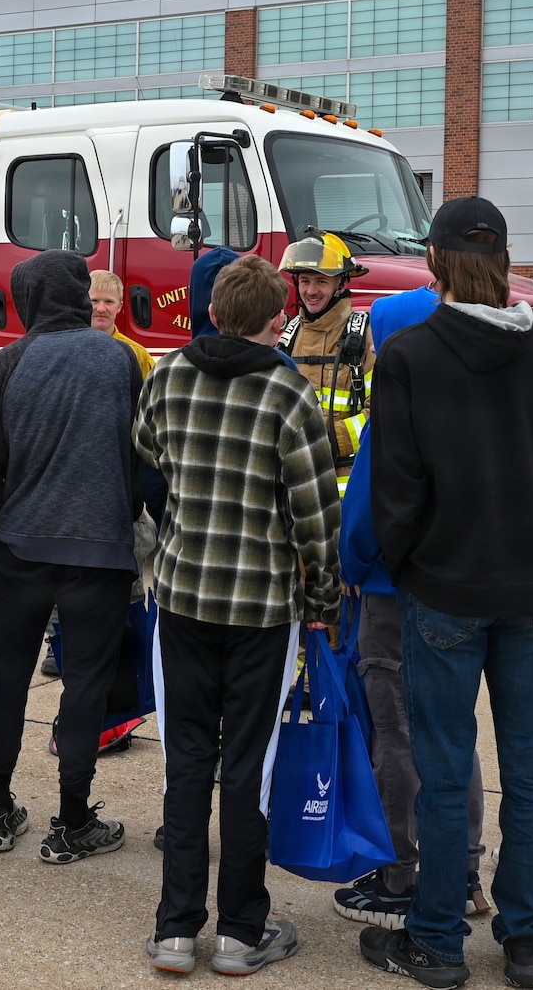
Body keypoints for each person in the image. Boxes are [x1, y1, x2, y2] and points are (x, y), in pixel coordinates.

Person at [365, 196, 533, 990]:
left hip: (446, 592)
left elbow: (394, 485)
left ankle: (437, 939)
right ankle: (528, 938)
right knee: (528, 768)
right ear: (503, 261)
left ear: (433, 261)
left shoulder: (413, 354)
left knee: (444, 767)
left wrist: (412, 561)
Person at [135, 254, 342, 978]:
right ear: (272, 321)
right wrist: (323, 602)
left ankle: (173, 928)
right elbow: (318, 516)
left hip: (185, 595)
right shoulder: (288, 392)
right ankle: (239, 932)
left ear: (216, 312)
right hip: (261, 605)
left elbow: (149, 450)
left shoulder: (167, 375)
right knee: (248, 769)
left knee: (185, 760)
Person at [0, 251, 144, 864]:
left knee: (9, 675)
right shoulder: (119, 359)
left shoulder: (4, 366)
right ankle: (72, 819)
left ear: (25, 300)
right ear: (77, 294)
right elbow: (138, 455)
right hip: (97, 552)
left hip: (19, 548)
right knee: (85, 685)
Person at [333, 281, 491, 929]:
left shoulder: (399, 404)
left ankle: (404, 874)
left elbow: (365, 511)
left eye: (376, 337)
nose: (368, 349)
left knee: (396, 735)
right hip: (461, 591)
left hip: (394, 596)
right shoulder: (477, 401)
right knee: (454, 733)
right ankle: (463, 867)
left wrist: (347, 566)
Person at [277, 234, 374, 493]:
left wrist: (327, 442)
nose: (311, 291)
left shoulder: (363, 336)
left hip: (347, 490)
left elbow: (379, 413)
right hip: (296, 488)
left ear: (341, 282)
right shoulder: (288, 337)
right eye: (305, 281)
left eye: (321, 281)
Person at [89, 269, 156, 378]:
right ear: (84, 303)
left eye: (109, 302)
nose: (101, 309)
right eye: (94, 301)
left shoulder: (138, 354)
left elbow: (149, 393)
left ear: (119, 307)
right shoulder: (69, 349)